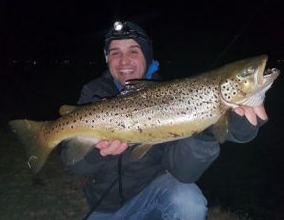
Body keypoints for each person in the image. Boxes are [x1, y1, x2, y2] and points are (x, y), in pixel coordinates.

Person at [61, 21, 268, 220]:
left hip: (154, 201)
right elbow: (73, 164)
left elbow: (185, 173)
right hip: (104, 210)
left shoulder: (173, 98)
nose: (123, 60)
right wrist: (97, 152)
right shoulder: (93, 93)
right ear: (107, 60)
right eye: (115, 53)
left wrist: (207, 131)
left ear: (148, 57)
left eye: (133, 51)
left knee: (189, 201)